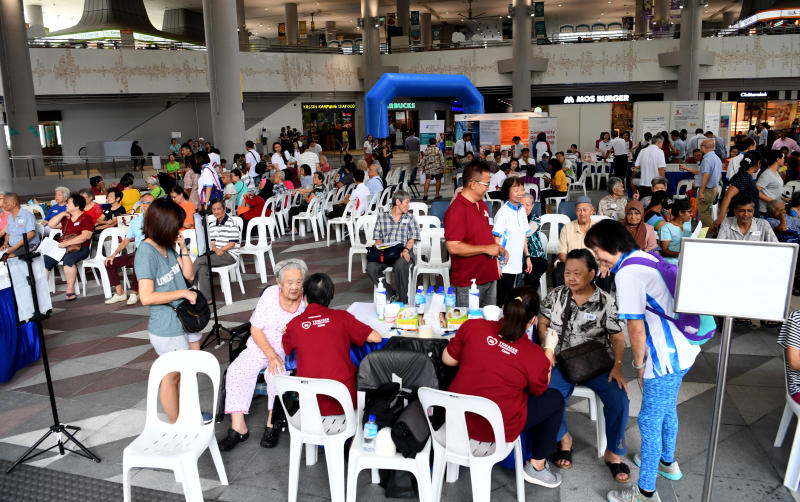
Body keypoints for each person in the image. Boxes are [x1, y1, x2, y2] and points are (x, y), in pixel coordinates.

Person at [585, 220, 699, 502]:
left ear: (613, 245)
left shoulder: (627, 273)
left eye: (597, 250)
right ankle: (666, 462)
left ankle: (646, 492)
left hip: (663, 357)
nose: (597, 257)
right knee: (667, 408)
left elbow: (635, 328)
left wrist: (639, 365)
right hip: (684, 348)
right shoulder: (645, 257)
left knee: (648, 421)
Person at [443, 287, 565, 488]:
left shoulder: (473, 326)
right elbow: (539, 389)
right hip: (495, 431)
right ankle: (537, 466)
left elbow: (448, 359)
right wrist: (549, 351)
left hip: (455, 421)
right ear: (533, 321)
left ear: (502, 308)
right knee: (555, 399)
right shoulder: (534, 355)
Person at [538, 249, 630, 481]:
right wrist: (547, 349)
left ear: (592, 273)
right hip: (561, 361)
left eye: (577, 273)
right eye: (567, 272)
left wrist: (617, 367)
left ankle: (613, 452)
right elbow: (543, 322)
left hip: (595, 363)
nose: (570, 277)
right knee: (547, 393)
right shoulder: (556, 295)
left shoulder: (606, 302)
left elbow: (618, 338)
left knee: (620, 398)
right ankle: (564, 439)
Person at [219, 259, 309, 450]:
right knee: (236, 372)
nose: (295, 287)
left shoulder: (306, 300)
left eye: (299, 282)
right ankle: (238, 428)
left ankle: (272, 423)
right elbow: (255, 329)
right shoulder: (269, 295)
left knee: (275, 376)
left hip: (287, 351)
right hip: (260, 346)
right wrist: (270, 354)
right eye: (290, 282)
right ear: (279, 282)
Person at [134, 198, 199, 424]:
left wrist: (183, 248)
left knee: (189, 371)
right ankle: (177, 425)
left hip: (186, 319)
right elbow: (146, 297)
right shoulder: (145, 253)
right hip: (167, 325)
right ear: (163, 226)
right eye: (175, 226)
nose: (178, 230)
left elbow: (189, 276)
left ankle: (190, 416)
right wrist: (182, 293)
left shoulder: (168, 246)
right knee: (172, 377)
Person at [283, 272, 382, 417]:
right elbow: (376, 338)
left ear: (305, 297)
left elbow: (286, 348)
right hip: (346, 403)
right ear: (330, 297)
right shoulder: (343, 317)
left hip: (310, 405)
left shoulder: (294, 325)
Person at [445, 162, 506, 307]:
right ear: (473, 184)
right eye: (486, 184)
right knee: (470, 320)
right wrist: (486, 249)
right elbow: (453, 247)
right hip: (469, 282)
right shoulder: (456, 210)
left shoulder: (482, 204)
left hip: (489, 275)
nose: (489, 188)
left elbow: (485, 235)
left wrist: (498, 249)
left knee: (488, 319)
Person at [366, 190, 418, 303]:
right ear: (398, 202)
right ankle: (390, 293)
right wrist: (378, 244)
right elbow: (378, 239)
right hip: (387, 253)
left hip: (404, 251)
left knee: (400, 265)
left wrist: (406, 250)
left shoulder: (410, 218)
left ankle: (403, 300)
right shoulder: (382, 217)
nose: (408, 206)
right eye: (407, 202)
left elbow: (412, 239)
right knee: (371, 268)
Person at [103, 193, 154, 305]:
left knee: (138, 260)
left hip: (153, 252)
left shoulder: (159, 219)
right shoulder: (135, 221)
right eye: (146, 203)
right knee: (109, 262)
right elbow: (126, 240)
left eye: (152, 203)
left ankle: (134, 293)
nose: (149, 205)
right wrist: (113, 254)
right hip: (139, 251)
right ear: (141, 205)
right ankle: (120, 293)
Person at [554, 196, 612, 292]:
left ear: (592, 210)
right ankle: (563, 300)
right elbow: (561, 253)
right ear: (575, 211)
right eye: (578, 210)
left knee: (605, 274)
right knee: (559, 272)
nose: (582, 213)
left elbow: (605, 253)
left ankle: (601, 301)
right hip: (572, 264)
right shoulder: (567, 228)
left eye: (585, 210)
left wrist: (603, 264)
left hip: (593, 266)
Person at [45, 194, 94, 301]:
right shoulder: (66, 219)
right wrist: (62, 213)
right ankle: (43, 290)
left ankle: (70, 289)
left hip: (81, 249)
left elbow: (86, 236)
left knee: (69, 259)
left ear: (77, 206)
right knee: (46, 260)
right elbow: (51, 225)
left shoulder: (86, 218)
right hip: (64, 248)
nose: (66, 205)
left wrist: (67, 243)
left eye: (69, 203)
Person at [493, 177, 534, 307]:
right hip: (505, 264)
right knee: (503, 300)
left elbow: (523, 237)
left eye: (522, 189)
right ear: (507, 192)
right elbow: (496, 239)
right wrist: (496, 264)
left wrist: (527, 257)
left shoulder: (521, 210)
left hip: (517, 262)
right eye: (516, 190)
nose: (520, 193)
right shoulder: (503, 212)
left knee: (514, 299)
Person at [193, 199, 240, 301]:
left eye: (219, 209)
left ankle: (187, 282)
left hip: (229, 255)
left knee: (201, 259)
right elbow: (212, 242)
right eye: (214, 209)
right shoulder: (213, 224)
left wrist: (221, 250)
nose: (216, 212)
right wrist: (215, 249)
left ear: (224, 209)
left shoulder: (231, 223)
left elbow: (232, 244)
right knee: (202, 268)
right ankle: (207, 298)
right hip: (217, 253)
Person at [712, 151, 762, 232]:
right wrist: (720, 218)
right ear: (758, 163)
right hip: (741, 220)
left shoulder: (743, 176)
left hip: (744, 220)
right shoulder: (744, 177)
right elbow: (728, 195)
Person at [680, 138, 722, 227]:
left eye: (701, 146)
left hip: (707, 189)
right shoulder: (716, 158)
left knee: (703, 212)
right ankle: (705, 230)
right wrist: (687, 169)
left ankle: (713, 230)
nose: (700, 148)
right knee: (704, 211)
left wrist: (701, 192)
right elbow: (702, 173)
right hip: (713, 188)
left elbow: (706, 176)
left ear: (704, 147)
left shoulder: (707, 159)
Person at [521, 192, 549, 289]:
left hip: (536, 257)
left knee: (531, 277)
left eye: (527, 205)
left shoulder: (535, 218)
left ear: (532, 206)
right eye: (521, 204)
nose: (524, 207)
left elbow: (526, 233)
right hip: (519, 257)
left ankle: (530, 297)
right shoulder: (514, 218)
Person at [0, 193, 38, 258]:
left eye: (6, 203)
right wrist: (5, 244)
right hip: (13, 246)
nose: (4, 205)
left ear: (14, 203)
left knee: (10, 257)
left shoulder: (27, 215)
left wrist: (13, 248)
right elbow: (8, 233)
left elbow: (31, 234)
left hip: (29, 245)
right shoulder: (10, 217)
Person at [659, 199, 693, 265]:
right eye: (689, 212)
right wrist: (681, 254)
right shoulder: (666, 228)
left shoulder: (687, 224)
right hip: (671, 262)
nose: (692, 214)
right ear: (680, 212)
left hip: (686, 258)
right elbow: (665, 250)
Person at [757, 150, 788, 215]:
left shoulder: (776, 172)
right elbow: (756, 192)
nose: (784, 160)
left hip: (774, 209)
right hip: (766, 210)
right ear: (778, 159)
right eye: (783, 158)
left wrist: (784, 198)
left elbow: (773, 190)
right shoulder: (767, 174)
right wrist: (773, 201)